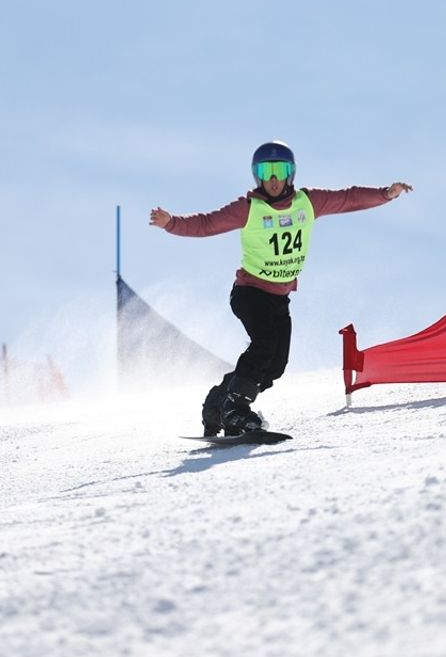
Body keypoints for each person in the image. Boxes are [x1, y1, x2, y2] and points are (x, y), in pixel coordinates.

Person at [149, 141, 412, 436]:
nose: (273, 179)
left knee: (274, 366)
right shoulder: (249, 208)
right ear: (257, 176)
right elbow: (208, 224)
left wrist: (385, 194)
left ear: (291, 173)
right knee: (264, 344)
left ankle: (218, 402)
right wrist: (171, 223)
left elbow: (347, 198)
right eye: (266, 171)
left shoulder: (308, 203)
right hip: (250, 293)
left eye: (280, 170)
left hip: (279, 298)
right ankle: (236, 409)